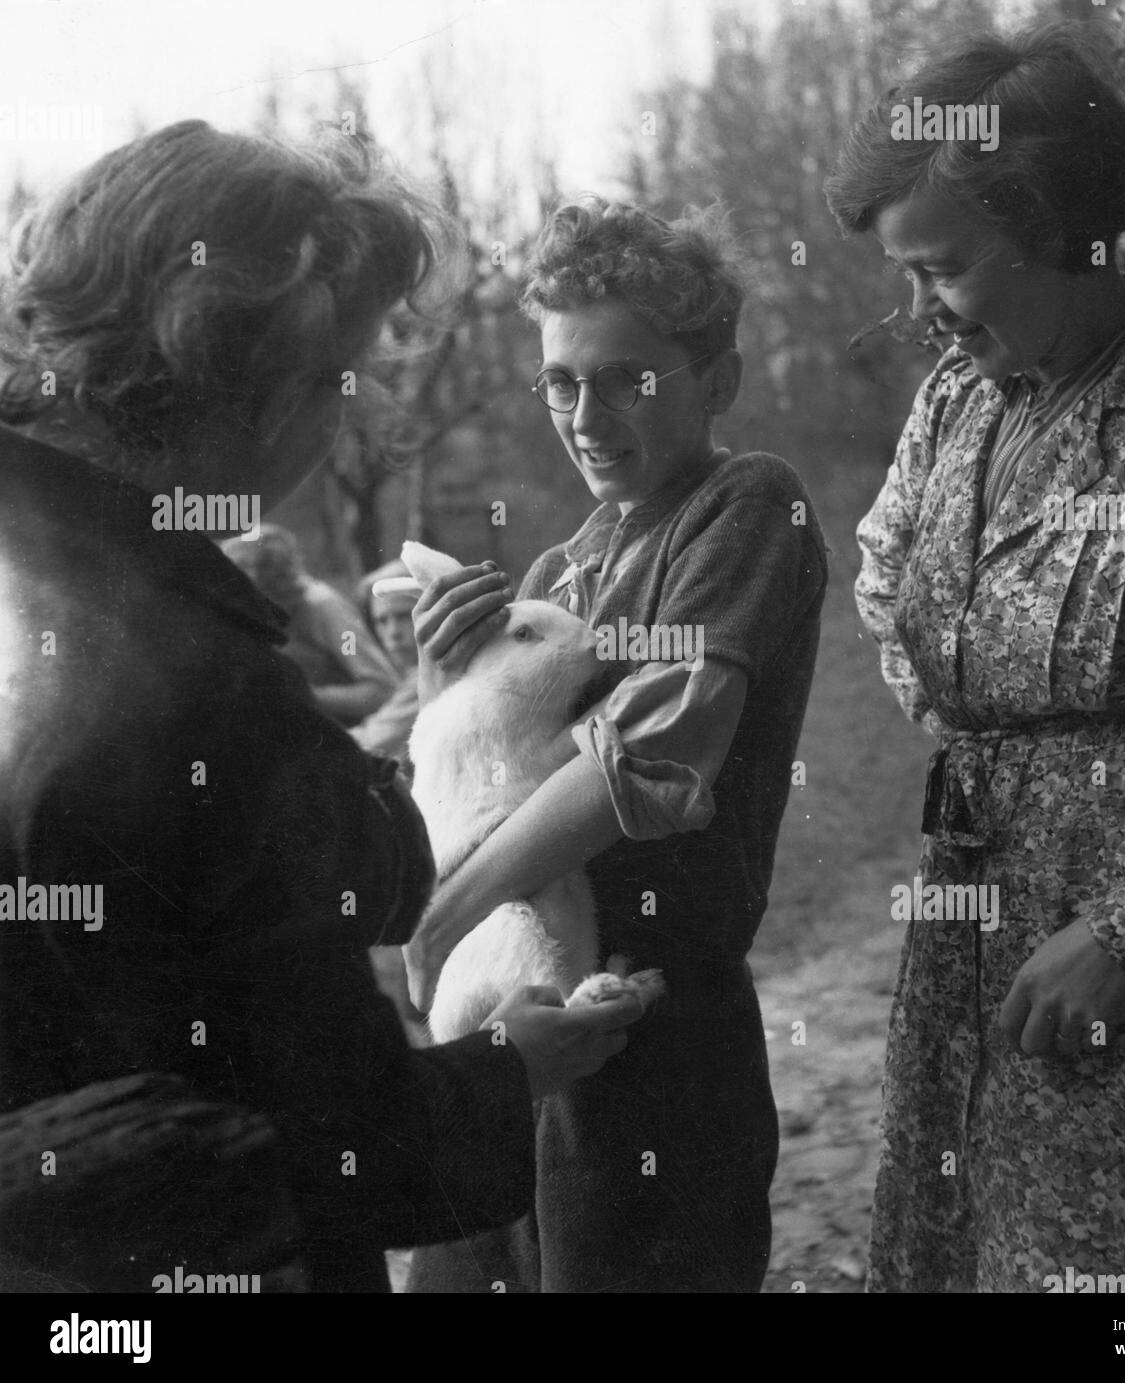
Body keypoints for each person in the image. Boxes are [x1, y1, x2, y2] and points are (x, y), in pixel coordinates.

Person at [0, 120, 643, 1293]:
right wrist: (511, 1066)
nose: (349, 416)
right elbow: (345, 1148)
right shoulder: (209, 692)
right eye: (342, 377)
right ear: (255, 385)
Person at [824, 22, 1125, 1292]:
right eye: (905, 275)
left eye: (946, 271)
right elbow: (889, 582)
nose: (921, 314)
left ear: (1066, 236)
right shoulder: (956, 406)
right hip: (972, 946)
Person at [403, 197, 828, 1292]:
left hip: (657, 1035)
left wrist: (447, 914)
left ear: (716, 383)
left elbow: (645, 760)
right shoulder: (555, 575)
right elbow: (475, 781)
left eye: (624, 378)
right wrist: (441, 680)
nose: (585, 414)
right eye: (560, 380)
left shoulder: (745, 506)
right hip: (516, 1029)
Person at [222, 524, 398, 728]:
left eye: (244, 568)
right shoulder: (246, 610)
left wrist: (302, 694)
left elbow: (381, 690)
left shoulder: (325, 609)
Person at [350, 557, 422, 773]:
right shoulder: (414, 672)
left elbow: (373, 741)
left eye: (403, 616)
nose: (393, 633)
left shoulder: (434, 671)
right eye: (382, 621)